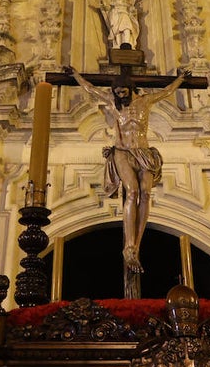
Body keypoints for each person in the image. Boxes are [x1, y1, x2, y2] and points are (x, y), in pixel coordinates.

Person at [62, 65, 189, 273]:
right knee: (132, 191)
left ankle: (136, 246)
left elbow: (167, 92)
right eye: (117, 93)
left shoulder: (145, 102)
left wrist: (181, 79)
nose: (120, 96)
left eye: (123, 92)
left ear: (130, 89)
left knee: (146, 194)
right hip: (122, 152)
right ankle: (128, 247)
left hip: (144, 153)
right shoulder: (113, 103)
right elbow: (91, 89)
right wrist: (76, 76)